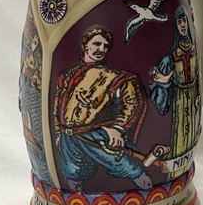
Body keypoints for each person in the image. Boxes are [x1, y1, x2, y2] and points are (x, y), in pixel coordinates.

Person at [54, 26, 152, 192]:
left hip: (96, 132)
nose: (101, 49)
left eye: (105, 46)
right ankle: (75, 196)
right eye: (97, 44)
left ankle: (143, 183)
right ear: (86, 45)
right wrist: (58, 132)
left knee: (118, 159)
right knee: (73, 169)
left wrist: (118, 128)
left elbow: (132, 103)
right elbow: (57, 106)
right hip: (69, 135)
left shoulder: (112, 77)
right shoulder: (67, 75)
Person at [149, 6, 201, 177]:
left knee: (190, 127)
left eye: (184, 21)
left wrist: (198, 93)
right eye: (179, 22)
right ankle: (176, 168)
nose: (183, 25)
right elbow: (167, 79)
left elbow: (197, 73)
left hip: (191, 96)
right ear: (176, 26)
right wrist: (162, 80)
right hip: (180, 98)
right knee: (180, 129)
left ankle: (184, 163)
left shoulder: (191, 48)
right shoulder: (173, 55)